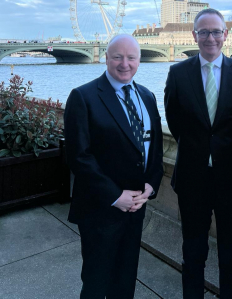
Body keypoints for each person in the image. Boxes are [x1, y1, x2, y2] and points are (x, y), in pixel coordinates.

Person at [164, 8, 232, 299]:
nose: (210, 38)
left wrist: (221, 149)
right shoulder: (178, 73)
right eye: (203, 32)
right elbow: (174, 121)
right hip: (193, 179)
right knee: (193, 254)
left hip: (231, 180)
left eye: (216, 31)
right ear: (194, 35)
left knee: (231, 258)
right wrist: (200, 149)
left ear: (225, 35)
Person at [64, 35, 164, 299]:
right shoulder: (83, 97)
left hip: (136, 209)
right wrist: (115, 196)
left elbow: (153, 149)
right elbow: (78, 156)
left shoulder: (147, 96)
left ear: (139, 61)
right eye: (117, 57)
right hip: (100, 211)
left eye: (131, 58)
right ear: (105, 58)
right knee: (97, 282)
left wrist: (150, 186)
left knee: (125, 280)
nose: (124, 64)